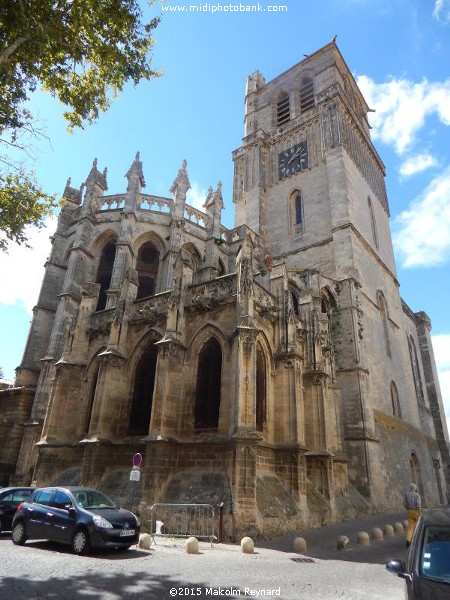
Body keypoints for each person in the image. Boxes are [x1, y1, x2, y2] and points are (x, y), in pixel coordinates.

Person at [404, 483, 421, 547]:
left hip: (409, 511)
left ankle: (408, 540)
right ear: (415, 488)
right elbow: (418, 505)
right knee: (418, 525)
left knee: (410, 527)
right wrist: (419, 513)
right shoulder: (417, 495)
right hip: (416, 511)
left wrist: (408, 508)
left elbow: (404, 503)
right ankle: (417, 539)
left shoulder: (406, 494)